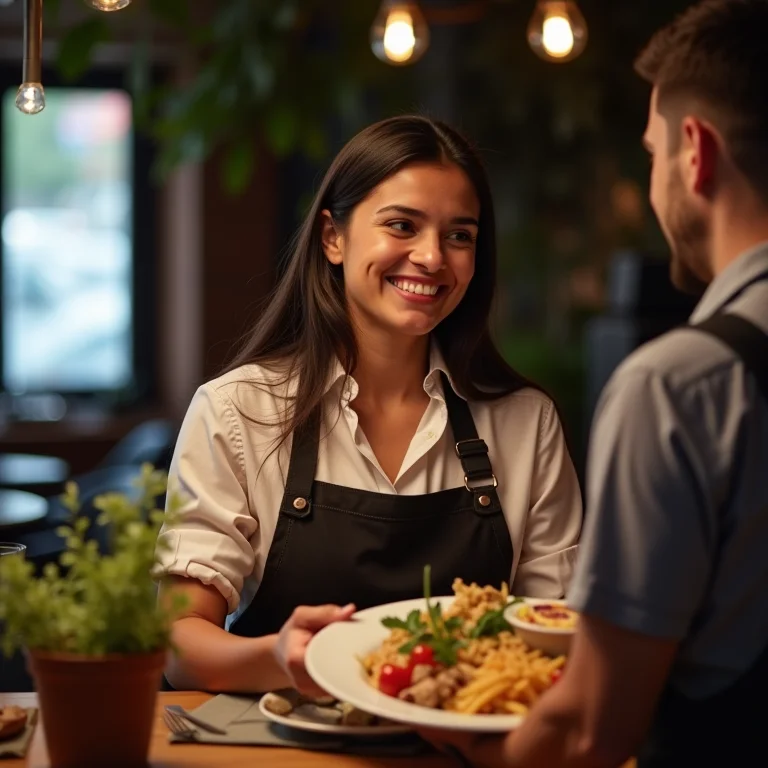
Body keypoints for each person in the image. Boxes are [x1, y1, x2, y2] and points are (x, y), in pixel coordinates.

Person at [422, 1, 768, 765]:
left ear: (694, 153)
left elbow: (589, 731)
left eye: (651, 155)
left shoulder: (680, 386)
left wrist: (453, 737)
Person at [155, 115, 582, 697]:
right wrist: (279, 657)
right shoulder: (237, 410)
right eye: (402, 225)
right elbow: (179, 643)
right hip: (279, 739)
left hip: (462, 740)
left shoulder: (526, 423)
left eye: (460, 235)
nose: (432, 257)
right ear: (333, 237)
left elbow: (557, 630)